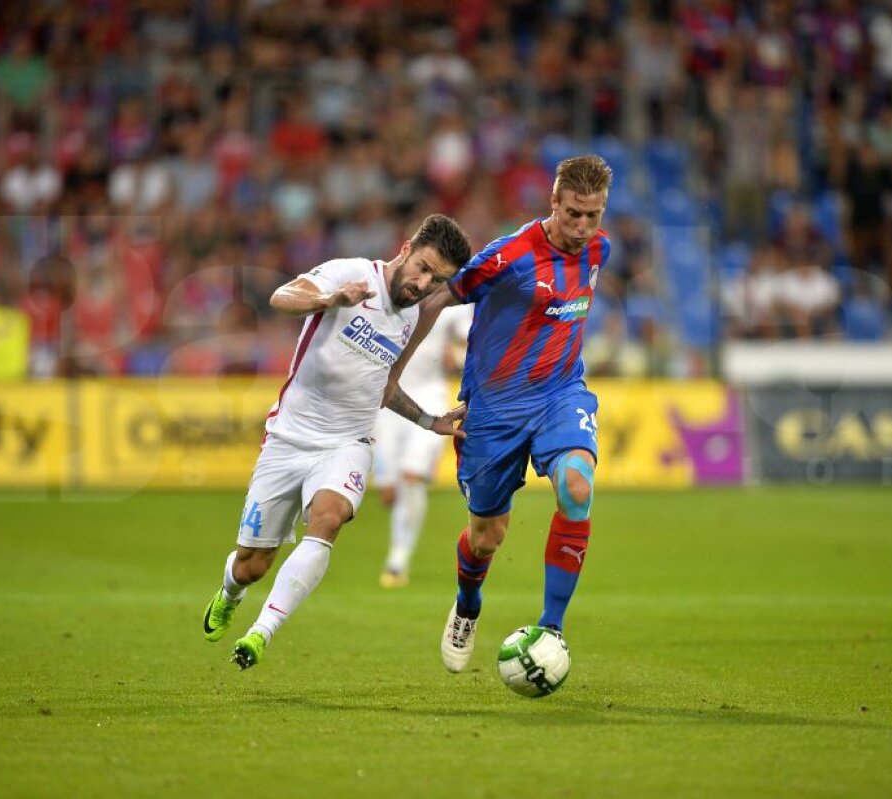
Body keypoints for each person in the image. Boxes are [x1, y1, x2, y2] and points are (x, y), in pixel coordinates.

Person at [202, 214, 473, 670]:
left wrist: (430, 421)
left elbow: (386, 386)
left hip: (348, 441)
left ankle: (259, 634)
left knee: (327, 521)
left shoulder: (414, 317)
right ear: (405, 249)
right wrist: (329, 299)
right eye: (423, 268)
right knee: (253, 563)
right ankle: (231, 591)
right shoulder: (351, 274)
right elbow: (280, 297)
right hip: (288, 439)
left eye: (437, 279)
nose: (425, 283)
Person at [386, 155, 613, 673]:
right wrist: (394, 373)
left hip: (560, 394)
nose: (582, 227)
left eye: (592, 215)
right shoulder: (509, 255)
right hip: (492, 412)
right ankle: (468, 605)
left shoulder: (600, 249)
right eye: (573, 213)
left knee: (577, 488)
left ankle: (551, 628)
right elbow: (434, 299)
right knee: (488, 536)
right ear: (553, 203)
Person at [373, 303, 473, 588]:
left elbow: (470, 338)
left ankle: (397, 561)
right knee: (390, 493)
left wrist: (461, 355)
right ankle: (397, 553)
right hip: (388, 401)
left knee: (412, 476)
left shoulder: (449, 305)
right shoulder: (386, 300)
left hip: (431, 398)